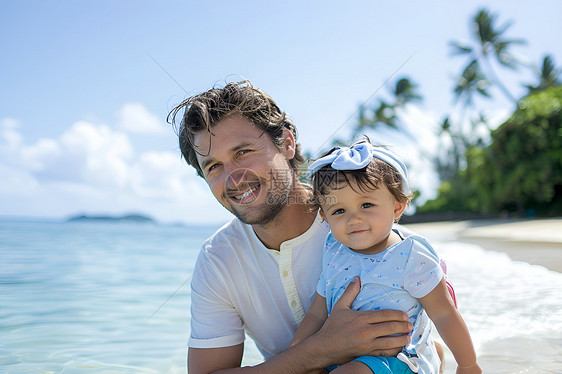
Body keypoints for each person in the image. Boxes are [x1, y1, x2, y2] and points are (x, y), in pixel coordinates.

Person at [168, 80, 416, 373]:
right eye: (214, 167)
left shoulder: (363, 231)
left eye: (243, 152)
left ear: (286, 143)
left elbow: (424, 351)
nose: (233, 178)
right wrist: (322, 349)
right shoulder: (217, 259)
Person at [290, 141, 481, 374]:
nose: (353, 219)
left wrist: (468, 364)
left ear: (398, 207)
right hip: (345, 353)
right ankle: (435, 352)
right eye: (339, 211)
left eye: (366, 204)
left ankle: (431, 355)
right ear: (324, 216)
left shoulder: (409, 256)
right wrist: (296, 351)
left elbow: (443, 313)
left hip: (396, 357)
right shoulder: (334, 250)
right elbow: (317, 312)